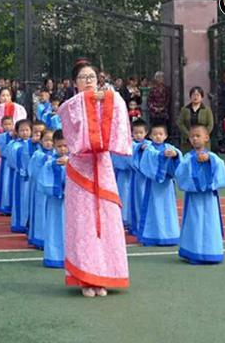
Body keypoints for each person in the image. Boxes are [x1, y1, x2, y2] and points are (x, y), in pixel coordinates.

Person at [59, 58, 132, 298]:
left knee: (107, 220)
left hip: (102, 166)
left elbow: (120, 110)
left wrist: (107, 99)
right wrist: (90, 101)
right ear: (75, 83)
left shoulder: (108, 99)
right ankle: (85, 278)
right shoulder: (71, 105)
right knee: (84, 223)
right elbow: (70, 126)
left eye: (92, 77)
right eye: (83, 78)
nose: (89, 81)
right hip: (81, 168)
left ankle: (103, 275)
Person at [175, 125, 225, 264]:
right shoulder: (188, 158)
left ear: (206, 138)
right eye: (192, 136)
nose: (195, 139)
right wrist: (194, 162)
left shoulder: (213, 157)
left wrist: (209, 161)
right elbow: (180, 174)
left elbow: (220, 168)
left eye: (198, 136)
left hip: (209, 198)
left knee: (210, 222)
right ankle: (193, 252)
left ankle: (211, 251)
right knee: (194, 222)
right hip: (194, 198)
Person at [138, 123, 182, 246]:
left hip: (167, 185)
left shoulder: (169, 147)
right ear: (150, 136)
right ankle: (153, 235)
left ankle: (170, 235)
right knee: (154, 209)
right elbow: (149, 159)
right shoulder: (149, 148)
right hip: (153, 186)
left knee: (168, 209)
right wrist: (162, 155)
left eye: (160, 134)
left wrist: (175, 155)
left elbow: (178, 155)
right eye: (155, 134)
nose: (158, 137)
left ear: (166, 136)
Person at [38, 129, 68, 268]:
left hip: (71, 201)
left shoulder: (74, 161)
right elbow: (43, 181)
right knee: (55, 226)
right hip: (56, 202)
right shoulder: (50, 162)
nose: (62, 149)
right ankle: (54, 256)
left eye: (65, 146)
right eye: (59, 146)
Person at [27, 129, 54, 249]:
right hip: (40, 190)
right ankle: (39, 238)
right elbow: (33, 171)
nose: (49, 143)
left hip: (52, 191)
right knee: (40, 212)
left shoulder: (56, 155)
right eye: (46, 140)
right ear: (41, 141)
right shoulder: (38, 155)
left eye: (52, 141)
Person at [6, 119, 34, 233]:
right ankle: (19, 222)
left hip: (32, 178)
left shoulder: (35, 144)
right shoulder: (14, 144)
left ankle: (29, 222)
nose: (25, 133)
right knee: (20, 198)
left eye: (27, 130)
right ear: (17, 132)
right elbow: (12, 159)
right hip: (20, 177)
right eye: (22, 130)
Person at [129, 119, 150, 236]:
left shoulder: (149, 145)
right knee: (136, 201)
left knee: (146, 200)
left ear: (146, 133)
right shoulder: (131, 145)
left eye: (141, 132)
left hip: (147, 178)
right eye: (136, 132)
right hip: (136, 178)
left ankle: (148, 226)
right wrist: (138, 149)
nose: (138, 135)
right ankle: (137, 226)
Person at [177, 86, 214, 152]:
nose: (195, 97)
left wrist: (203, 135)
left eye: (198, 95)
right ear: (190, 96)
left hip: (203, 141)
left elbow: (210, 125)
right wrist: (188, 135)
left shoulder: (207, 110)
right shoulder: (185, 109)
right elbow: (180, 123)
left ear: (202, 97)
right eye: (193, 95)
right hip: (188, 141)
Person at [0, 116, 14, 215]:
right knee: (5, 183)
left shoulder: (16, 136)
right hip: (6, 164)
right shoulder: (0, 137)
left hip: (15, 165)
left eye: (10, 124)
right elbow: (3, 152)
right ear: (1, 126)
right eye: (5, 124)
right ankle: (4, 206)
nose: (8, 126)